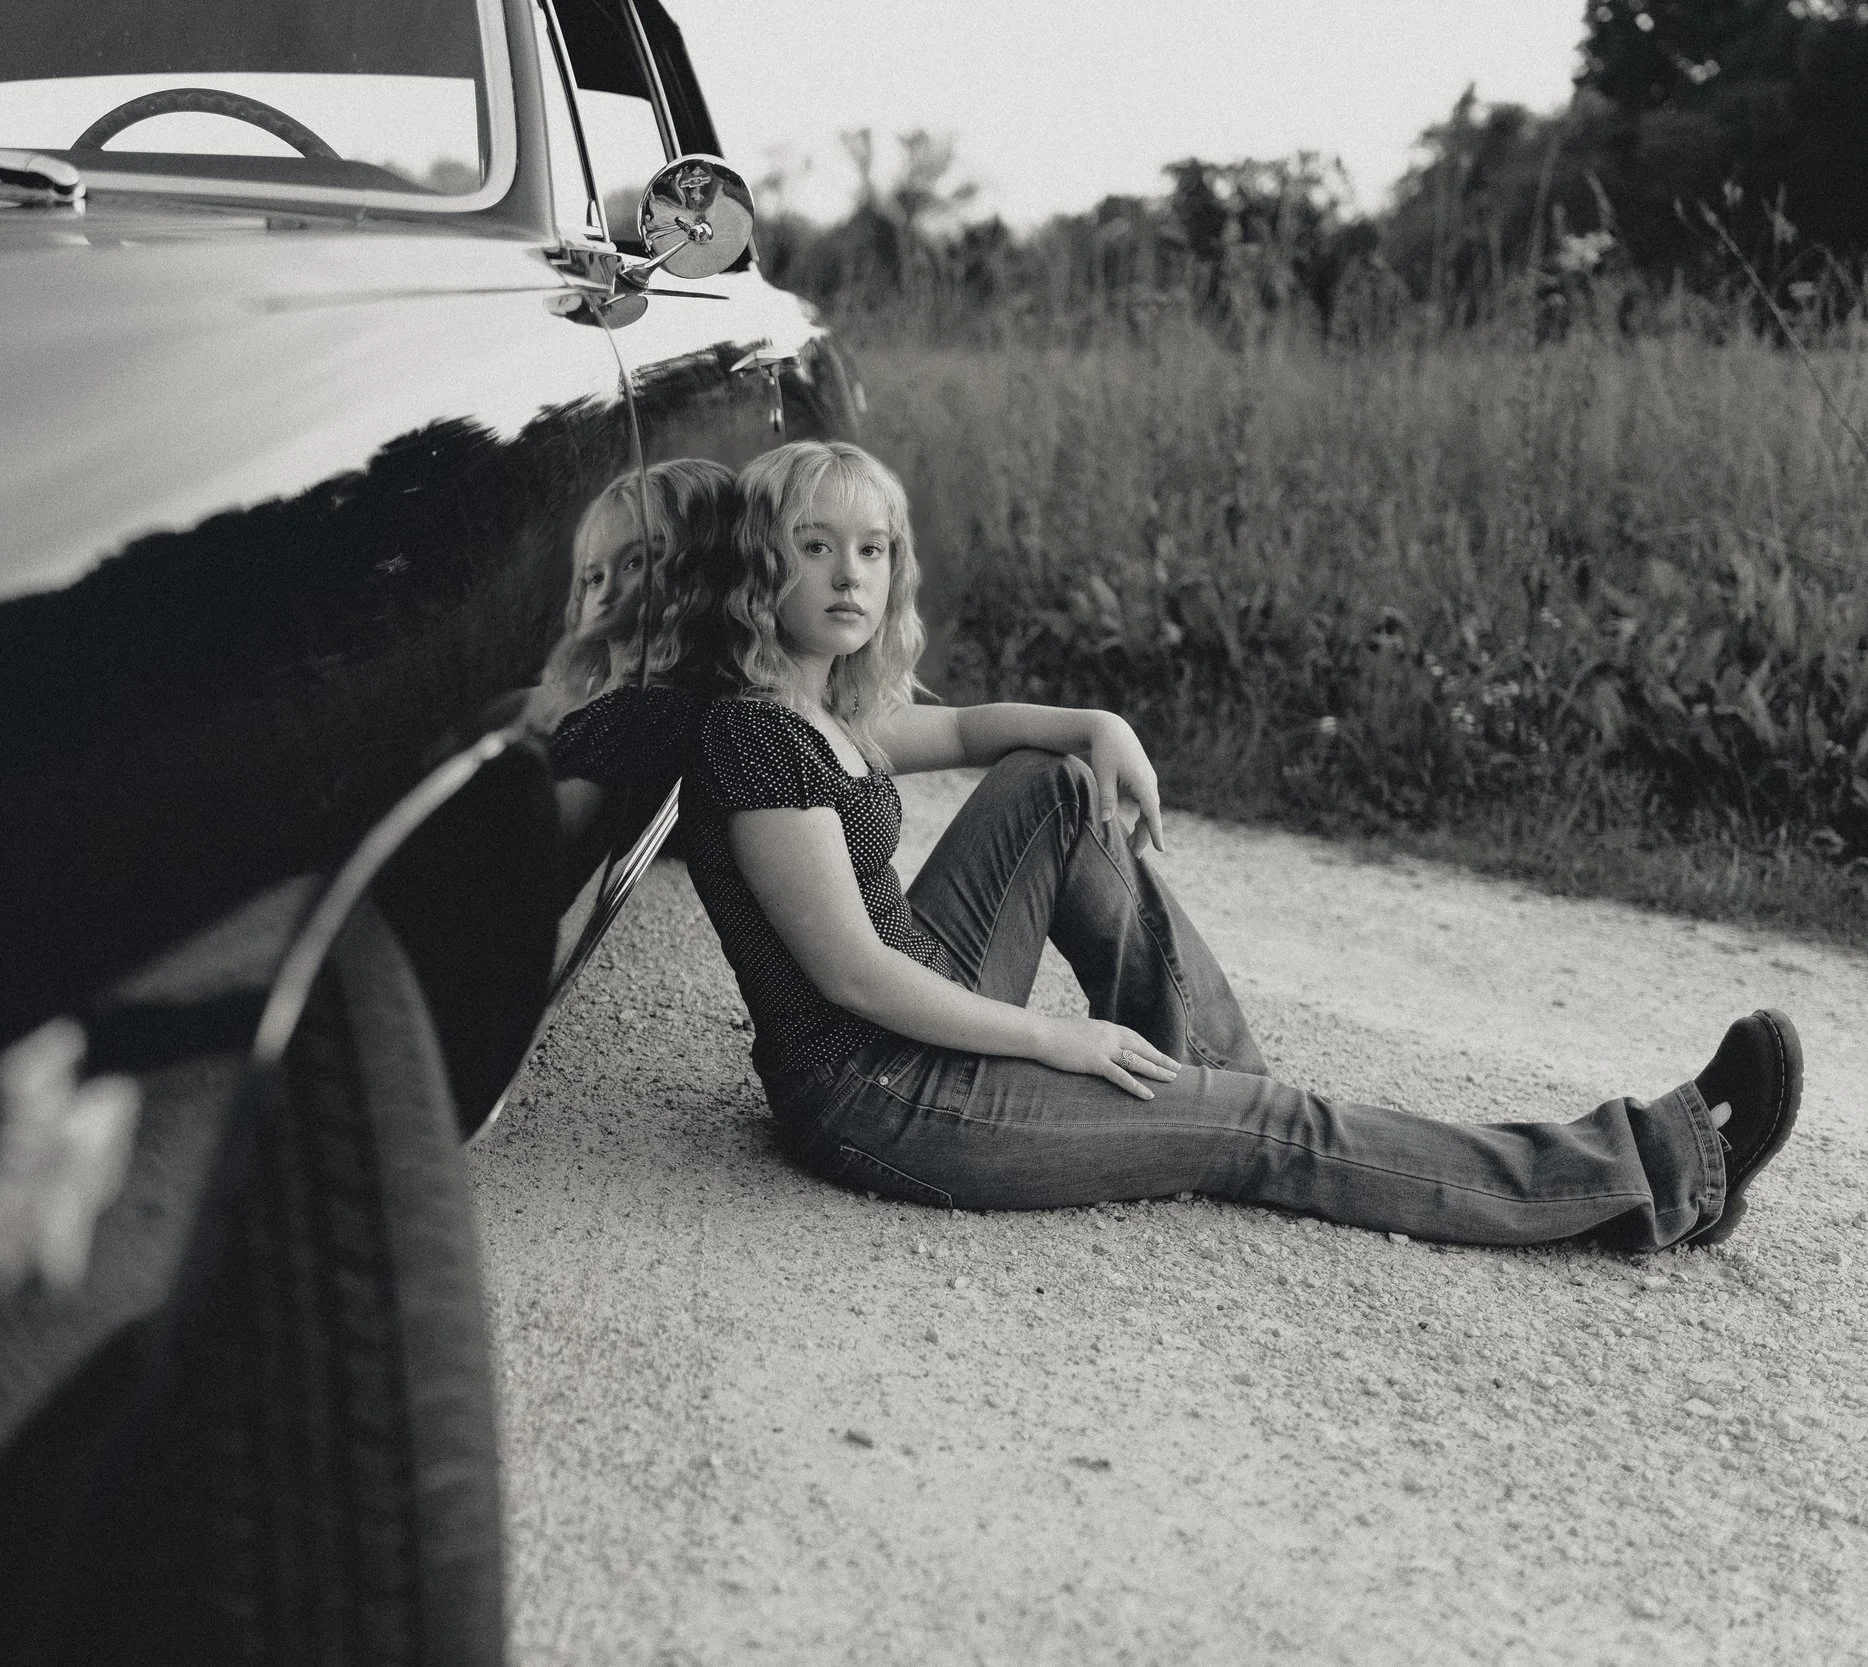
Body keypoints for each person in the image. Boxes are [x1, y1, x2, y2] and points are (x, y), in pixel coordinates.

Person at [678, 439, 1800, 1249]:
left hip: (912, 1031)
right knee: (1266, 1128)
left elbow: (973, 730)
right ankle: (1652, 1172)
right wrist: (1054, 1039)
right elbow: (852, 974)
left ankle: (1220, 1096)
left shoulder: (825, 710)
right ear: (761, 570)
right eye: (815, 547)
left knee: (1052, 786)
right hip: (883, 1099)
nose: (850, 575)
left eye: (872, 549)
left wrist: (1097, 723)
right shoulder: (754, 737)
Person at [528, 459, 742, 841]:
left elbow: (544, 848)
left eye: (634, 562)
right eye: (593, 576)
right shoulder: (640, 703)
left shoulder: (635, 714)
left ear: (696, 570)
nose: (606, 591)